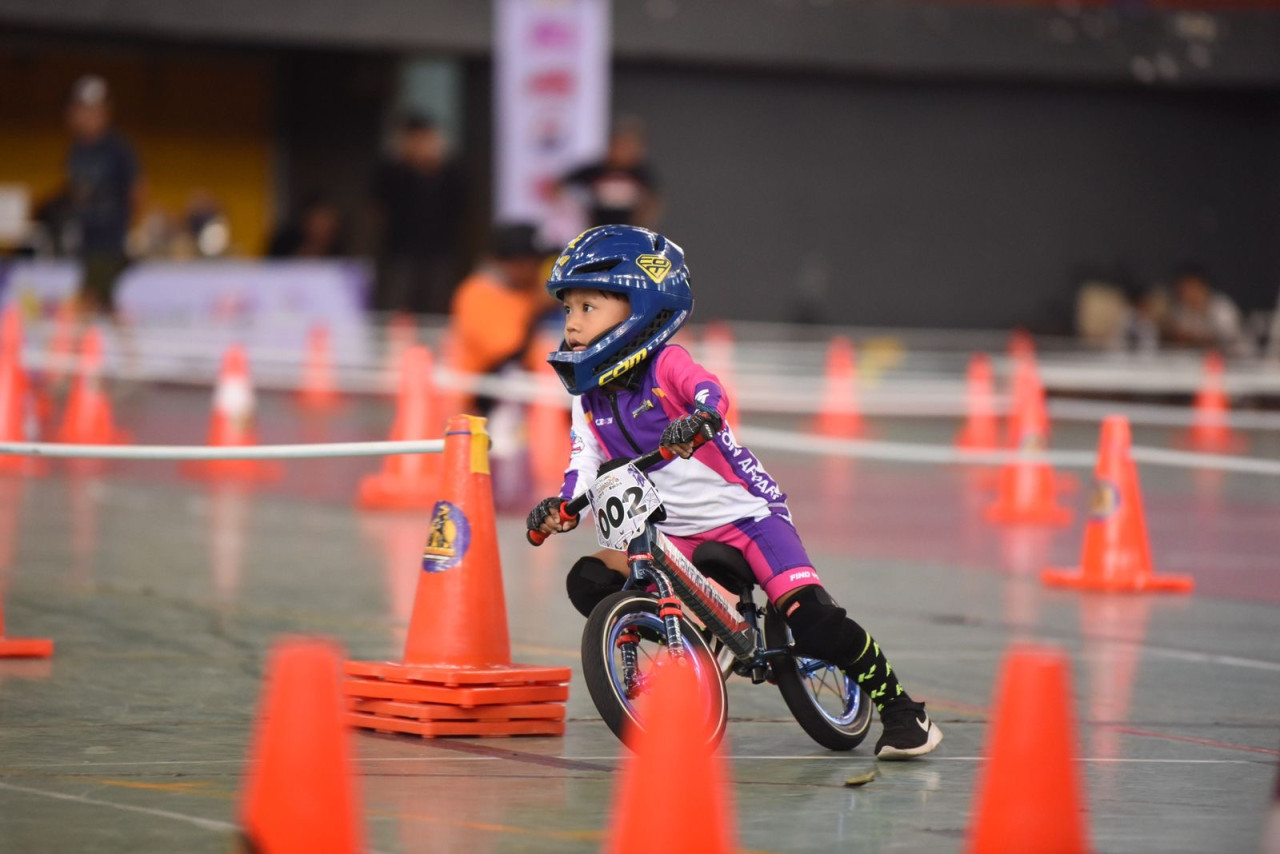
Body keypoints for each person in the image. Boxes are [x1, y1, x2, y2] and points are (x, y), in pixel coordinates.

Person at [525, 225, 943, 760]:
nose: (572, 322)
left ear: (641, 309)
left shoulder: (665, 364)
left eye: (588, 307)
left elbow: (710, 391)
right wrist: (563, 505)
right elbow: (584, 459)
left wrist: (700, 417)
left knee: (813, 622)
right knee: (589, 581)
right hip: (672, 534)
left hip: (746, 519)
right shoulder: (588, 397)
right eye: (568, 309)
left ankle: (903, 711)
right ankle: (700, 639)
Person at [447, 223, 557, 416]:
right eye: (535, 262)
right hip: (479, 405)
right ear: (513, 263)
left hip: (520, 401)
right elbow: (505, 347)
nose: (539, 269)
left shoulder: (526, 292)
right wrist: (536, 307)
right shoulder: (477, 292)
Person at [371, 113, 466, 315]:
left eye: (424, 139)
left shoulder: (448, 171)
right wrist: (406, 163)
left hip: (440, 251)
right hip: (400, 251)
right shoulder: (392, 170)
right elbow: (379, 201)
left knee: (437, 306)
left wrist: (434, 167)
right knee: (396, 305)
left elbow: (461, 203)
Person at [64, 75, 142, 316]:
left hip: (110, 240)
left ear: (104, 112)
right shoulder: (77, 149)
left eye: (90, 110)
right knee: (104, 304)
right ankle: (124, 341)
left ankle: (83, 341)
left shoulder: (117, 149)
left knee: (90, 300)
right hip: (87, 239)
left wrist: (131, 230)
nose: (82, 116)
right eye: (79, 108)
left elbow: (137, 190)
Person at [558, 117, 661, 232]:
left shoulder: (640, 174)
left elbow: (653, 201)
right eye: (619, 145)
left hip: (629, 231)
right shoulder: (595, 171)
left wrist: (643, 222)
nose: (622, 151)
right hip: (597, 230)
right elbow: (563, 186)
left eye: (628, 146)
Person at [1163, 263, 1252, 356]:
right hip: (1201, 359)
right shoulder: (1181, 310)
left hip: (1239, 359)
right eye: (1182, 288)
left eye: (1190, 287)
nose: (1185, 293)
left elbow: (1227, 340)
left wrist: (1193, 339)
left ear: (1202, 286)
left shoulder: (1222, 307)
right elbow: (1174, 337)